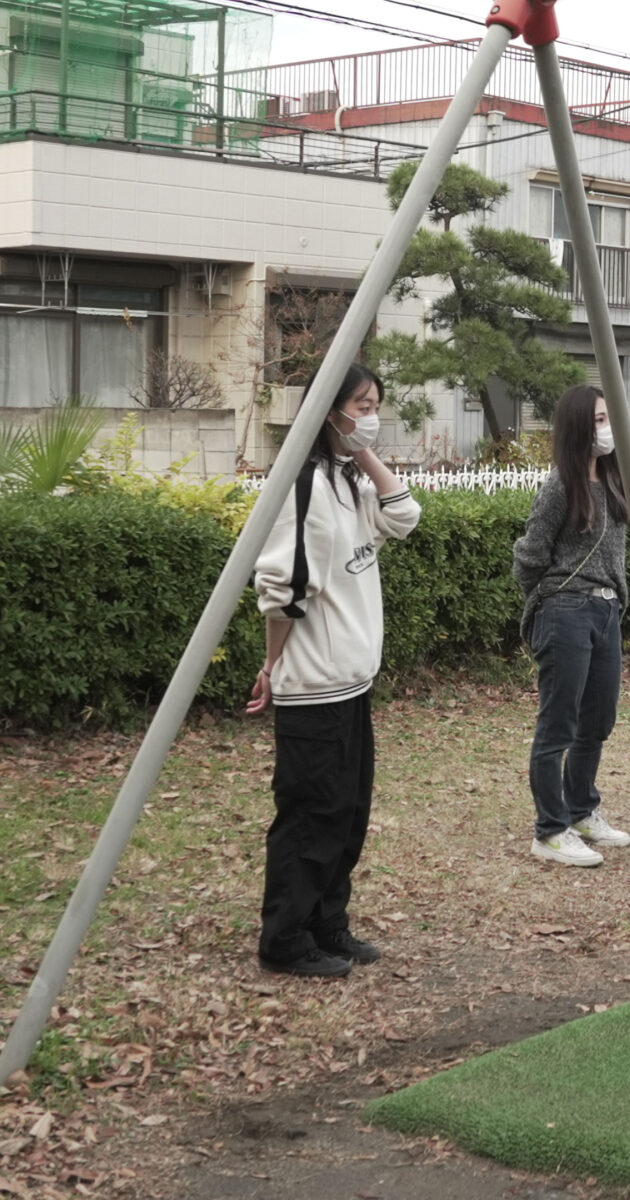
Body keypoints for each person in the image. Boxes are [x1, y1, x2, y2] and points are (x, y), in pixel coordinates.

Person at [247, 363, 421, 979]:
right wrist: (272, 664)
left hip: (352, 683)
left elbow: (405, 517)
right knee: (311, 815)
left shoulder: (346, 480)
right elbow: (283, 588)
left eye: (376, 405)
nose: (370, 416)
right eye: (360, 405)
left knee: (347, 813)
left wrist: (365, 454)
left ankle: (328, 923)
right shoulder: (302, 485)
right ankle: (285, 939)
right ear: (328, 410)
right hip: (313, 687)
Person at [514, 385, 630, 868]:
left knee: (598, 719)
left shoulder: (612, 482)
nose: (608, 429)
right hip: (566, 610)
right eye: (601, 420)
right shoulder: (559, 487)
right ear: (580, 427)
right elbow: (528, 557)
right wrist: (549, 603)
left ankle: (582, 808)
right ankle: (549, 830)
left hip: (607, 612)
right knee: (559, 723)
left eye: (610, 418)